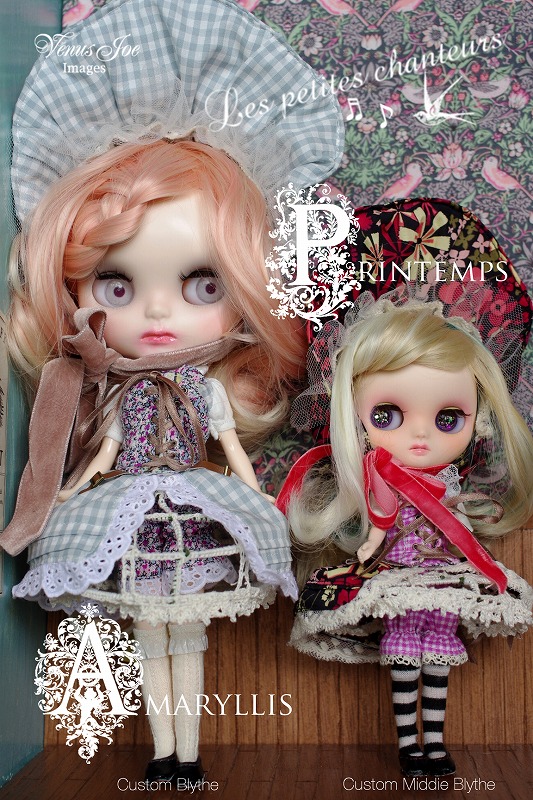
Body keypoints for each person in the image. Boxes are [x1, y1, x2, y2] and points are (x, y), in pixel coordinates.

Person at [0, 0, 344, 784]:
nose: (157, 314)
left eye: (200, 284)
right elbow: (106, 454)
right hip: (134, 517)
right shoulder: (120, 394)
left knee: (185, 640)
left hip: (192, 514)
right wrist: (69, 491)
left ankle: (186, 753)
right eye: (116, 286)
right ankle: (166, 755)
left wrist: (255, 499)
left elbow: (230, 453)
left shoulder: (200, 389)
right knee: (151, 640)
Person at [288, 293, 533, 778]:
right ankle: (408, 745)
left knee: (438, 652)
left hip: (442, 577)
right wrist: (369, 548)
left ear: (478, 419)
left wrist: (471, 551)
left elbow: (457, 529)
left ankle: (434, 742)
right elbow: (381, 522)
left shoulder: (449, 483)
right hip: (399, 573)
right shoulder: (382, 477)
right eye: (387, 416)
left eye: (448, 419)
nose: (421, 437)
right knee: (403, 652)